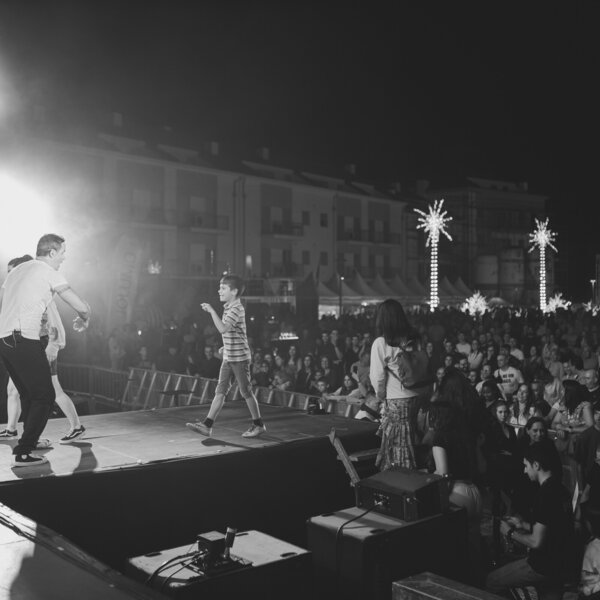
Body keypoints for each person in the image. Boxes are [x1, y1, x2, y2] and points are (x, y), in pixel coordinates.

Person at [0, 234, 91, 467]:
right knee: (45, 396)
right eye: (62, 253)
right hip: (23, 339)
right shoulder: (48, 271)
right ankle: (24, 452)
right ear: (51, 253)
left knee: (29, 395)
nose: (64, 258)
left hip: (5, 340)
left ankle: (31, 440)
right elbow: (79, 305)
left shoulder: (16, 271)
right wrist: (85, 317)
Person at [486, 439, 577, 600]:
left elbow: (536, 542)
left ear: (536, 465)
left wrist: (509, 532)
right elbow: (553, 528)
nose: (524, 471)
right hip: (561, 564)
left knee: (492, 581)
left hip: (543, 566)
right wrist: (523, 524)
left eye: (526, 465)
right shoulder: (561, 490)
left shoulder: (545, 495)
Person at [186, 274, 265, 438]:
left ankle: (259, 425)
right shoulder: (229, 307)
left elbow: (223, 329)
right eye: (219, 287)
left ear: (234, 291)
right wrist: (226, 347)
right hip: (229, 357)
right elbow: (235, 332)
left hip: (239, 359)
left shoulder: (236, 308)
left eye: (223, 288)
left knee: (246, 392)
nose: (219, 291)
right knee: (220, 391)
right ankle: (207, 425)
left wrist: (211, 311)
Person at [429, 400, 483, 583]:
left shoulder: (440, 437)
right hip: (475, 493)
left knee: (453, 549)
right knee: (474, 549)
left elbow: (443, 473)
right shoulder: (467, 434)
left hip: (457, 493)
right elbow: (481, 467)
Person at [370, 299, 425, 471]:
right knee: (410, 438)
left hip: (397, 399)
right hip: (417, 395)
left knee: (398, 444)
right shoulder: (414, 339)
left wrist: (380, 397)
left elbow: (377, 377)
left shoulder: (381, 343)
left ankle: (401, 477)